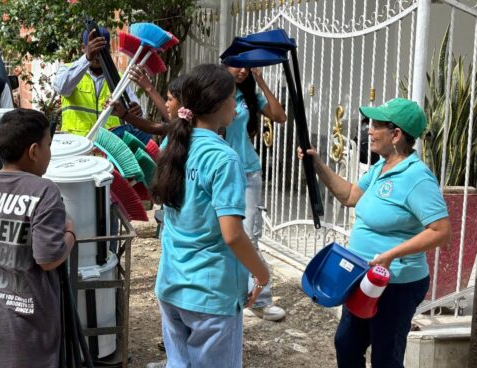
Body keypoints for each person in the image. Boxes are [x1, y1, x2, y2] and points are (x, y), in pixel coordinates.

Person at [298, 98, 451, 367]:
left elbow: (441, 231)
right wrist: (318, 164)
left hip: (396, 283)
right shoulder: (382, 166)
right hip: (362, 276)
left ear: (396, 135)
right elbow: (350, 195)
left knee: (385, 357)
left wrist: (392, 254)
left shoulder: (417, 177)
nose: (368, 129)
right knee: (346, 343)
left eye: (376, 124)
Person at [151, 64, 271, 367]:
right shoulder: (223, 157)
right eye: (233, 98)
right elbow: (232, 234)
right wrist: (262, 273)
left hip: (171, 284)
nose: (237, 105)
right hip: (210, 294)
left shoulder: (174, 145)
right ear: (218, 104)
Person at [0, 108, 76, 367]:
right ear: (33, 151)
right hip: (25, 335)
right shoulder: (44, 191)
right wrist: (71, 233)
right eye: (48, 145)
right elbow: (49, 259)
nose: (49, 153)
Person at [223, 64, 288, 322]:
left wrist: (260, 80)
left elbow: (280, 116)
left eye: (247, 68)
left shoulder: (250, 96)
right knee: (224, 235)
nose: (242, 71)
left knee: (248, 235)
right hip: (219, 172)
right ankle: (230, 292)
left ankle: (261, 299)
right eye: (236, 65)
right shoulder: (213, 92)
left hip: (248, 172)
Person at [53, 27, 155, 139]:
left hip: (107, 149)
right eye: (94, 50)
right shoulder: (68, 70)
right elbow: (62, 88)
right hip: (76, 146)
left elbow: (135, 112)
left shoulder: (119, 79)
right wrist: (87, 58)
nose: (98, 55)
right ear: (83, 48)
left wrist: (136, 113)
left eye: (102, 50)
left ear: (109, 49)